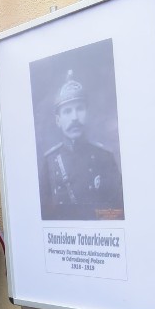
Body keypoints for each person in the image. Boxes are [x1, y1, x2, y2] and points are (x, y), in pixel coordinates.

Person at [39, 70, 124, 221]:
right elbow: (44, 215)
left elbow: (118, 210)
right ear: (58, 120)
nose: (74, 117)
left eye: (80, 109)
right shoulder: (49, 161)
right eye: (67, 111)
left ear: (88, 113)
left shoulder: (105, 157)